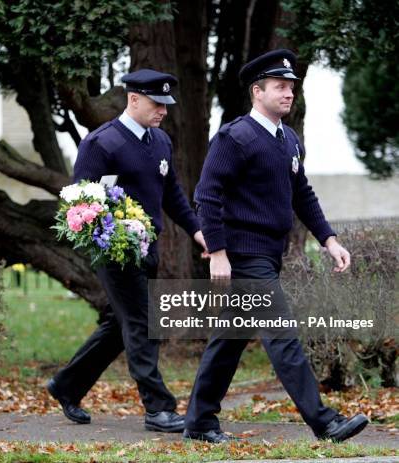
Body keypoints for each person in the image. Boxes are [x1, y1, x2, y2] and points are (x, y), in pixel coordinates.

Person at [183, 49, 369, 443]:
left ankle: (199, 423)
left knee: (227, 344)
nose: (289, 94)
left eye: (291, 88)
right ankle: (326, 422)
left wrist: (329, 238)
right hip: (244, 257)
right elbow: (207, 196)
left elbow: (302, 194)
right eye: (280, 87)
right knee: (283, 336)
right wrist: (218, 253)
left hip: (267, 254)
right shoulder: (235, 137)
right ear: (257, 92)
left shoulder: (288, 140)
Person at [47, 69, 208, 433]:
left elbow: (173, 196)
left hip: (148, 249)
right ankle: (158, 408)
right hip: (115, 252)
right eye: (156, 103)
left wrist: (198, 230)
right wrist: (114, 238)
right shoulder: (102, 143)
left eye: (167, 104)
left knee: (119, 326)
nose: (164, 110)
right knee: (143, 322)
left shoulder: (161, 142)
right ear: (133, 99)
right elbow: (79, 204)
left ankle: (66, 385)